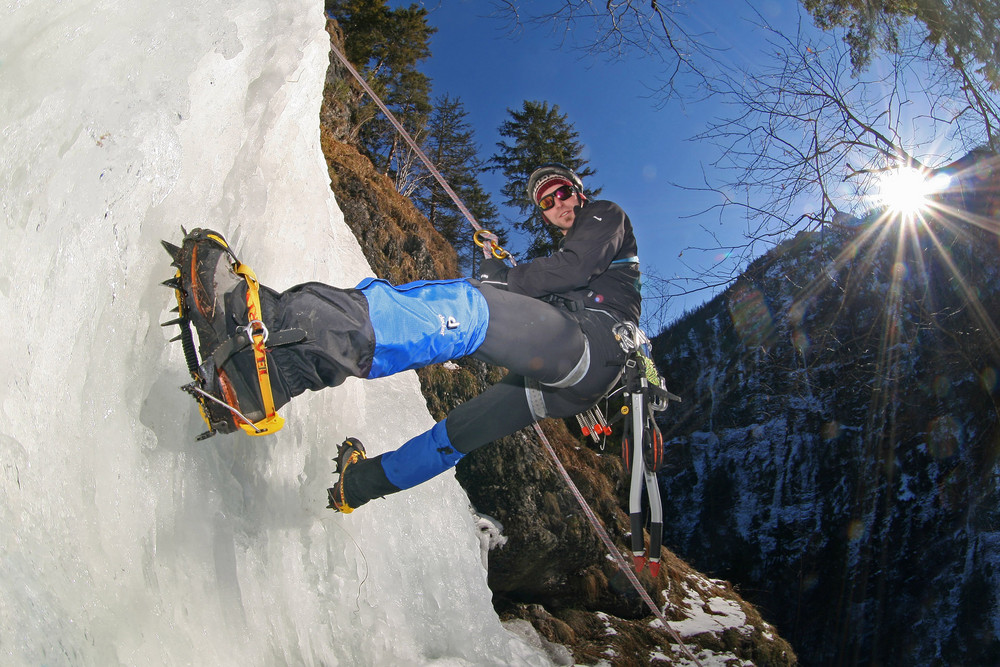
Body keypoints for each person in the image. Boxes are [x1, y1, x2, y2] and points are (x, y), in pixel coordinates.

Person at [171, 163, 641, 513]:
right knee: (457, 433)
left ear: (577, 191)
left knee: (468, 306)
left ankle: (279, 361)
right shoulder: (577, 254)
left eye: (561, 191)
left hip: (593, 343)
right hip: (570, 379)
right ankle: (356, 487)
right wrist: (498, 269)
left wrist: (495, 284)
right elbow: (541, 295)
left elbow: (570, 269)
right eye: (546, 201)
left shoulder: (605, 215)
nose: (557, 203)